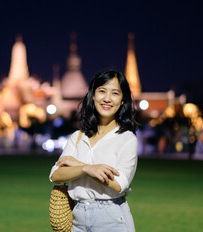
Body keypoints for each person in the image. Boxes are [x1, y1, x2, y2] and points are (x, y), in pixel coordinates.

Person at [49, 69, 138, 231]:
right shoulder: (78, 136)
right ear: (93, 96)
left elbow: (119, 184)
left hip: (112, 218)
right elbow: (55, 174)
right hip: (78, 217)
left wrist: (76, 164)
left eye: (115, 93)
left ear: (123, 100)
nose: (107, 99)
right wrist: (86, 168)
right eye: (102, 91)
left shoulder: (127, 139)